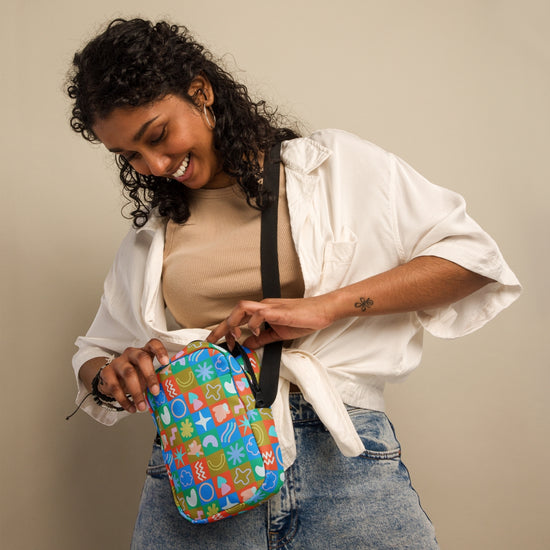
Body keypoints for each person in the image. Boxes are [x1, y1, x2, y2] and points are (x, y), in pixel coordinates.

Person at [67, 18, 521, 550]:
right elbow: (93, 354)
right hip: (201, 466)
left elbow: (472, 261)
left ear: (201, 91)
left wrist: (326, 307)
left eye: (158, 135)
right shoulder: (152, 237)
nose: (156, 165)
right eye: (131, 156)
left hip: (341, 460)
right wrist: (113, 375)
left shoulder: (331, 169)